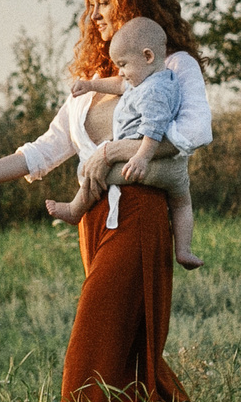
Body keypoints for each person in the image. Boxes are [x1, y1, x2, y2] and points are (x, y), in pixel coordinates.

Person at [0, 0, 212, 402]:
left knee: (92, 339)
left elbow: (194, 131)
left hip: (137, 213)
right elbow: (42, 151)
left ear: (136, 1)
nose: (94, 14)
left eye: (106, 2)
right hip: (93, 222)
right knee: (123, 349)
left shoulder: (170, 64)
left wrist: (113, 151)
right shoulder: (97, 80)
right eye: (90, 5)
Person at [42, 17, 184, 237]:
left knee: (93, 171)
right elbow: (119, 84)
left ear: (148, 56)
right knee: (182, 203)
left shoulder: (153, 91)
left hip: (138, 152)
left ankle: (74, 209)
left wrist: (141, 157)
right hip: (162, 162)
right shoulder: (152, 79)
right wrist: (90, 85)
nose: (121, 72)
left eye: (123, 65)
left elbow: (153, 129)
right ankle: (183, 248)